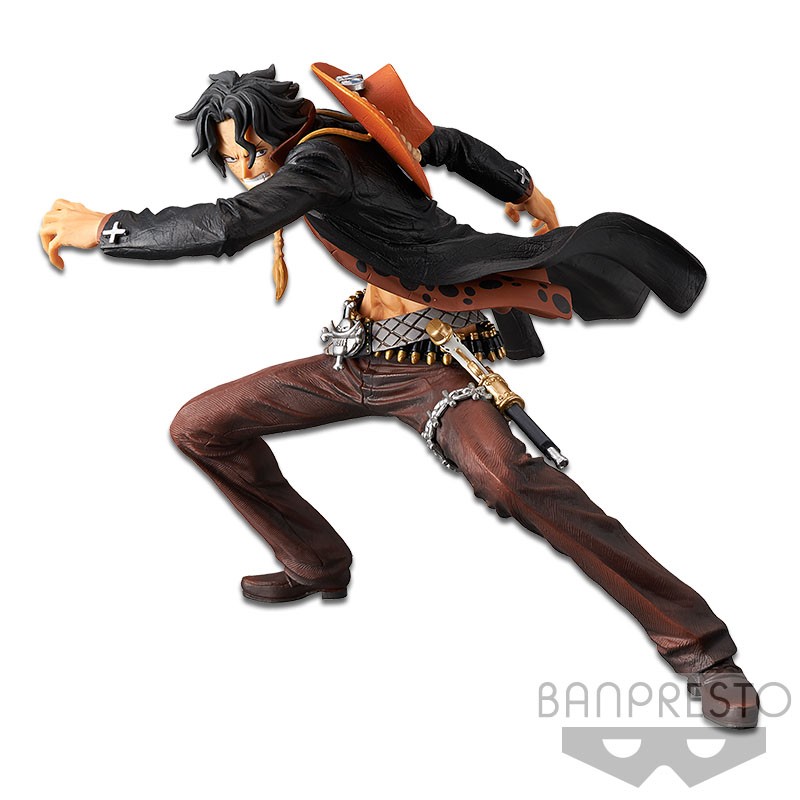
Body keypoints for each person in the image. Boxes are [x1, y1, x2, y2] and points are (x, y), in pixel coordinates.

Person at [39, 64, 758, 728]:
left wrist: (107, 228)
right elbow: (445, 143)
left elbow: (231, 224)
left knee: (509, 479)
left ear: (256, 133)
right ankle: (316, 563)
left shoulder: (322, 158)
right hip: (358, 355)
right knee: (200, 426)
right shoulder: (347, 128)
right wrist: (522, 188)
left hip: (435, 366)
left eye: (234, 152)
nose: (236, 167)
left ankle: (700, 649)